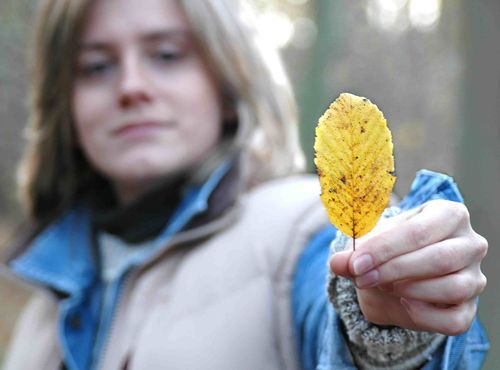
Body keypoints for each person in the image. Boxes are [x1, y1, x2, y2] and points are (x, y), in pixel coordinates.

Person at [1, 0, 489, 369]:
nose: (131, 86)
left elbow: (334, 307)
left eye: (166, 55)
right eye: (96, 66)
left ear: (229, 86)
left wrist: (388, 320)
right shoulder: (44, 302)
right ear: (65, 107)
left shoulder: (300, 229)